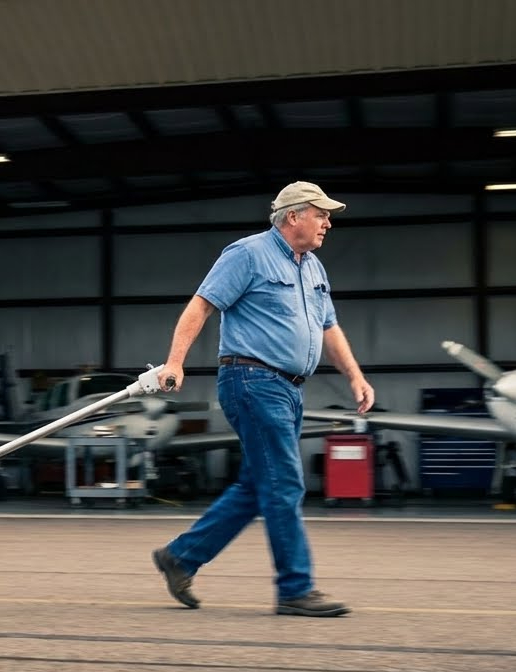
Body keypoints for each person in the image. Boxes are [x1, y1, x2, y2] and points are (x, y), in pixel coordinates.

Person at [149, 181, 374, 618]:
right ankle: (295, 588)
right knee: (286, 483)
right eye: (321, 214)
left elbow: (329, 328)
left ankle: (181, 557)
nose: (328, 222)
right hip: (252, 381)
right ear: (293, 217)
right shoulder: (247, 254)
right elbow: (201, 306)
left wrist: (355, 377)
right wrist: (174, 363)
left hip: (289, 389)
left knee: (259, 486)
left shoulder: (314, 268)